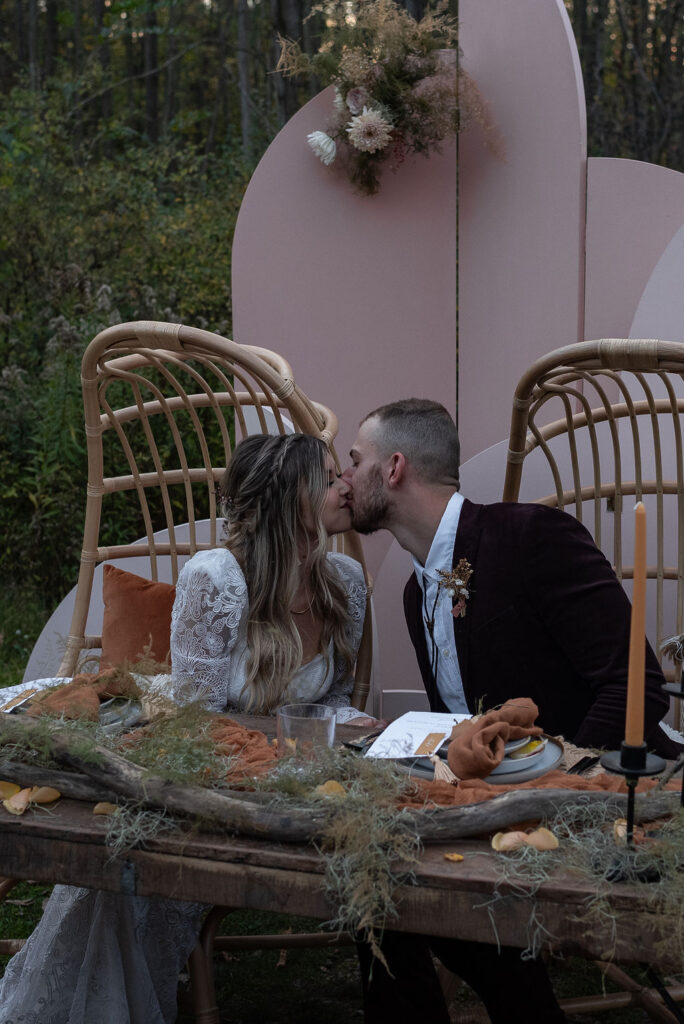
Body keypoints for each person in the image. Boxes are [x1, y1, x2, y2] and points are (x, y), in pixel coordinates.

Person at [0, 432, 371, 1024]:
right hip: (187, 748)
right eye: (327, 478)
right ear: (289, 500)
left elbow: (328, 698)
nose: (345, 485)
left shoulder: (344, 582)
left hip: (279, 766)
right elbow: (197, 716)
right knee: (133, 871)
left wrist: (350, 726)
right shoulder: (216, 579)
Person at [341, 398, 680, 1024]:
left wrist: (551, 788)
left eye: (353, 461)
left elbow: (636, 687)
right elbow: (463, 724)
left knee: (414, 892)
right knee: (378, 875)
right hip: (492, 803)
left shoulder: (531, 536)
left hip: (607, 791)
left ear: (392, 468)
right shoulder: (419, 590)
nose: (344, 476)